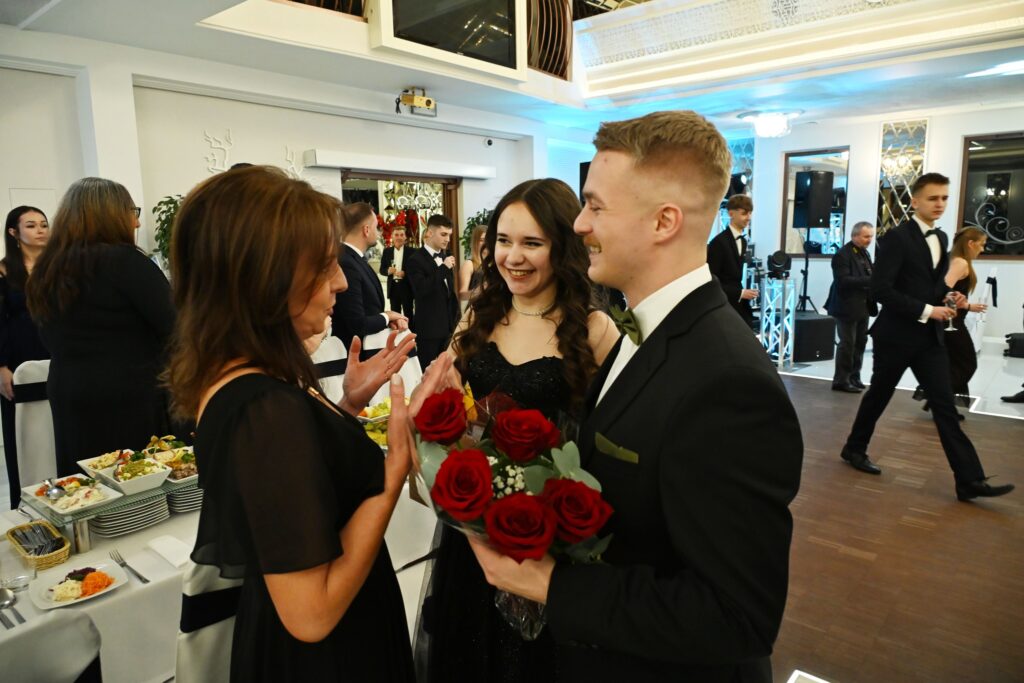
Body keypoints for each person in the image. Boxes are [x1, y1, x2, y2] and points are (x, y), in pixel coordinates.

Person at [466, 111, 804, 682]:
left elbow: (735, 616)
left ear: (663, 221)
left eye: (596, 206)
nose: (579, 225)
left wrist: (552, 585)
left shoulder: (727, 382)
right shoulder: (645, 332)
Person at [166, 165, 445, 681]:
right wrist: (393, 471)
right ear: (264, 278)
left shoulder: (242, 377)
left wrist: (347, 408)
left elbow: (295, 488)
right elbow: (312, 613)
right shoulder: (264, 410)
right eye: (322, 266)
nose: (341, 281)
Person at [418, 178, 619, 683]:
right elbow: (451, 408)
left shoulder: (594, 328)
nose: (514, 257)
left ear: (562, 247)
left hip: (549, 536)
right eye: (504, 241)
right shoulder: (478, 316)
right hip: (475, 532)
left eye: (532, 243)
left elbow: (609, 438)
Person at [839, 173, 1014, 502]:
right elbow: (880, 290)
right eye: (933, 198)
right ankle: (854, 448)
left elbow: (931, 286)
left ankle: (969, 480)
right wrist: (927, 309)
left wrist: (948, 297)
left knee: (945, 406)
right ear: (915, 201)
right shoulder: (896, 238)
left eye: (944, 198)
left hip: (929, 339)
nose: (940, 204)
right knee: (879, 395)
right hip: (896, 336)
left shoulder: (942, 237)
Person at [26, 178, 175, 476]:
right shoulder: (127, 262)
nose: (136, 222)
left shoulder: (46, 269)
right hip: (129, 393)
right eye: (131, 211)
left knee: (88, 483)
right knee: (136, 482)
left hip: (70, 389)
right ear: (111, 214)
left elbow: (46, 333)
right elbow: (174, 325)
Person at [0, 206, 52, 504]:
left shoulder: (57, 267)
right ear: (14, 232)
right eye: (31, 225)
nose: (40, 230)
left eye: (44, 224)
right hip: (18, 362)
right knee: (25, 432)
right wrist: (1, 366)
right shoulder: (4, 271)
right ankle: (27, 502)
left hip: (56, 354)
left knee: (56, 428)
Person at [915, 227, 989, 416]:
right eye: (981, 245)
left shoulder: (951, 259)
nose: (982, 249)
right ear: (970, 243)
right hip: (951, 323)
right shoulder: (960, 263)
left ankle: (940, 403)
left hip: (950, 320)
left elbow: (948, 294)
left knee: (951, 365)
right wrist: (962, 303)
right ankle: (938, 400)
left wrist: (967, 306)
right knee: (966, 364)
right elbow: (940, 292)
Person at [331, 202, 407, 352]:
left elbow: (368, 309)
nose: (379, 232)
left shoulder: (354, 258)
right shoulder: (347, 263)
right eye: (376, 227)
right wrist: (387, 316)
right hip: (355, 353)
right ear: (366, 230)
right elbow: (357, 323)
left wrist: (386, 320)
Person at [825, 221, 877, 393]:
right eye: (866, 236)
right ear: (854, 236)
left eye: (871, 236)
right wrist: (871, 280)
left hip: (863, 306)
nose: (870, 240)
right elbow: (843, 281)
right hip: (846, 307)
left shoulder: (864, 253)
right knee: (847, 344)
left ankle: (854, 377)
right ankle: (841, 380)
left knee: (860, 343)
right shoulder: (842, 255)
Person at [406, 215, 460, 370]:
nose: (447, 239)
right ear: (429, 233)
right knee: (427, 373)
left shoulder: (445, 256)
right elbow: (421, 289)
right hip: (429, 329)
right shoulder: (415, 259)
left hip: (449, 328)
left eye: (449, 235)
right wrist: (443, 268)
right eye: (443, 234)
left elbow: (449, 293)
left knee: (449, 373)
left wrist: (457, 321)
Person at [707, 193, 758, 329]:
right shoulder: (718, 243)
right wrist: (740, 293)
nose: (749, 218)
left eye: (750, 213)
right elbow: (712, 279)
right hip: (723, 303)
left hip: (737, 301)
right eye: (744, 213)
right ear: (731, 213)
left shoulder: (743, 241)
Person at [379, 226, 413, 316]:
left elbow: (415, 270)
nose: (399, 237)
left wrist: (405, 273)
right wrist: (388, 271)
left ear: (405, 237)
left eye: (401, 235)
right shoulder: (387, 252)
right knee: (395, 315)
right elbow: (381, 270)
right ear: (392, 237)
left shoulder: (412, 252)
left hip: (407, 287)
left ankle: (410, 326)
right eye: (396, 235)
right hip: (393, 288)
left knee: (409, 314)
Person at [458, 224, 487, 303]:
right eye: (482, 240)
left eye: (487, 240)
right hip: (478, 307)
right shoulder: (469, 264)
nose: (485, 243)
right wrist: (479, 291)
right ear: (475, 242)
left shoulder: (494, 263)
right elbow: (461, 295)